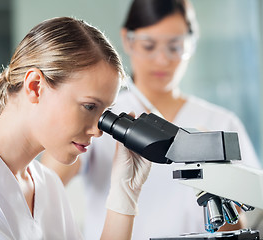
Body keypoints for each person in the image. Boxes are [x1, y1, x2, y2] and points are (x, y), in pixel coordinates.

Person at [0, 17, 152, 240]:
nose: (98, 130)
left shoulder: (48, 186)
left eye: (104, 113)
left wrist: (124, 195)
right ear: (35, 86)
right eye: (89, 106)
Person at [41, 1, 262, 239]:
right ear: (127, 40)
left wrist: (218, 182)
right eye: (149, 46)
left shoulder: (221, 122)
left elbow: (240, 225)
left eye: (175, 47)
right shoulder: (97, 115)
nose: (161, 60)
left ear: (192, 43)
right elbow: (41, 193)